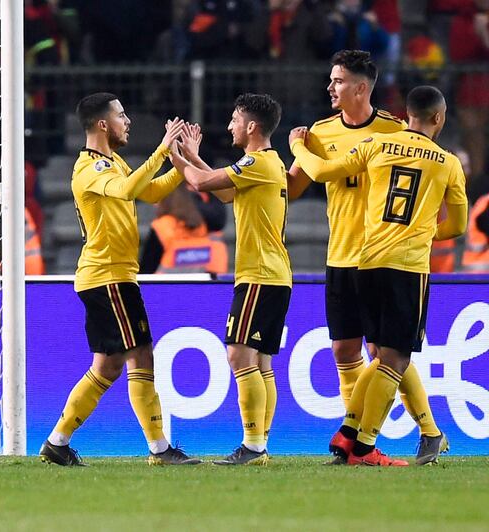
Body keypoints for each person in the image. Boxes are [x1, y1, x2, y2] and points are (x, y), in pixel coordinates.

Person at [289, 85, 468, 465]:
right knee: (393, 359)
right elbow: (458, 226)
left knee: (379, 356)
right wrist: (425, 232)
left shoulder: (377, 144)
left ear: (406, 115)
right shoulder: (448, 163)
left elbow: (321, 172)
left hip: (365, 263)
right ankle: (364, 441)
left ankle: (349, 430)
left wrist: (298, 148)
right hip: (407, 266)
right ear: (439, 118)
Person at [39, 92, 199, 466]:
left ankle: (57, 443)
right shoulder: (89, 169)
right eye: (122, 115)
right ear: (102, 124)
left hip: (109, 276)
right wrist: (161, 150)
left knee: (107, 366)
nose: (128, 122)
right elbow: (128, 190)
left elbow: (150, 190)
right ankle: (160, 450)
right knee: (140, 356)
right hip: (108, 277)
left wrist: (182, 164)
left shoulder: (112, 162)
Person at [171, 94, 291, 465]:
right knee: (261, 361)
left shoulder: (257, 162)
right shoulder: (265, 164)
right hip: (273, 274)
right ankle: (259, 445)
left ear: (252, 126)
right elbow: (224, 192)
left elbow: (204, 184)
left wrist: (175, 158)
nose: (229, 127)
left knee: (239, 355)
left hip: (260, 274)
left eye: (235, 120)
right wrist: (192, 157)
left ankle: (253, 446)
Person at [139, 185, 228, 274]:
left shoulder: (162, 227)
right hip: (206, 287)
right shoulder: (208, 231)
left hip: (166, 287)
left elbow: (146, 271)